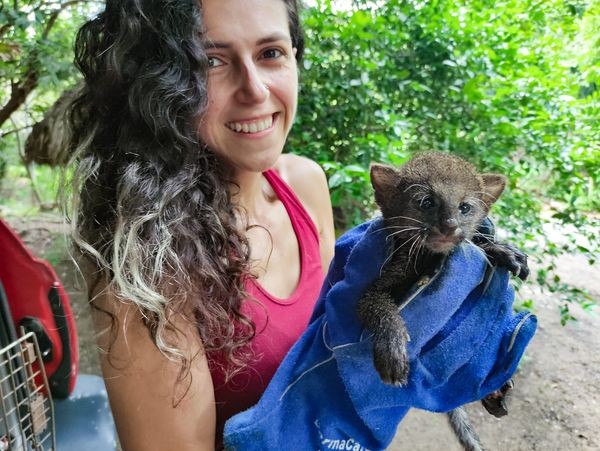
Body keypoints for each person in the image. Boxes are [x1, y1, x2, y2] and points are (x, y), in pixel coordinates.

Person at [67, 1, 534, 450]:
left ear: (294, 57)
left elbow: (337, 322)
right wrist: (335, 413)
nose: (255, 90)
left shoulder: (306, 183)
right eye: (211, 60)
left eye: (271, 52)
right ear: (160, 82)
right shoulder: (143, 257)